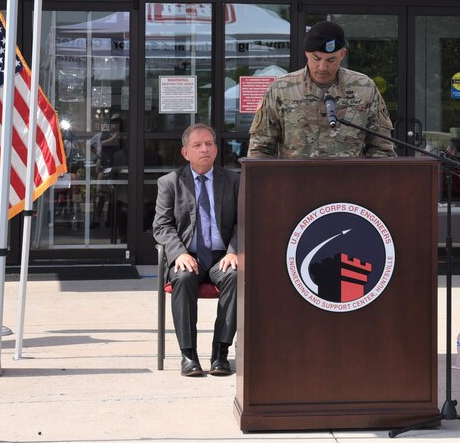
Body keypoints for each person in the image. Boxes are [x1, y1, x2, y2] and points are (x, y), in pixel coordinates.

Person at [153, 123, 239, 377]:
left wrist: (235, 250)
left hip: (221, 257)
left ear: (216, 148)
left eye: (209, 144)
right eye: (197, 145)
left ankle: (220, 353)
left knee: (236, 275)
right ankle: (188, 355)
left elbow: (243, 222)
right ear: (185, 152)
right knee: (183, 277)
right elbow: (161, 225)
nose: (205, 150)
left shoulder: (234, 180)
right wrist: (179, 252)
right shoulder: (169, 182)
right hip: (187, 256)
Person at [247, 20, 395, 158]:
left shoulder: (364, 88)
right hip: (294, 183)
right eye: (316, 59)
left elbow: (382, 148)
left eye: (331, 60)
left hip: (350, 182)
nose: (323, 67)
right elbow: (260, 149)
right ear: (306, 53)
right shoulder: (281, 89)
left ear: (342, 54)